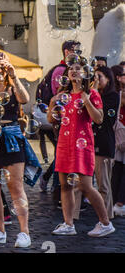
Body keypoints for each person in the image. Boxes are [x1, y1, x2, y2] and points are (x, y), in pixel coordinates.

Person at [0, 52, 39, 247]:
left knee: (16, 187)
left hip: (10, 136)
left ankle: (24, 233)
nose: (1, 67)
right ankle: (0, 229)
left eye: (4, 63)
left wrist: (14, 75)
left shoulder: (12, 86)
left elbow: (25, 99)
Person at [49, 61, 115, 237]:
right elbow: (52, 119)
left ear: (85, 73)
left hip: (82, 144)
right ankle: (68, 224)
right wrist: (51, 104)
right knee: (65, 185)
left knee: (85, 186)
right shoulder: (63, 95)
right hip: (64, 144)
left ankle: (105, 223)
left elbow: (99, 119)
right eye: (71, 68)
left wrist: (86, 100)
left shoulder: (91, 94)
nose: (73, 71)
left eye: (78, 69)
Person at [37, 40, 81, 194]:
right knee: (60, 152)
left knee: (62, 152)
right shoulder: (60, 70)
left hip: (68, 121)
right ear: (67, 52)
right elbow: (60, 97)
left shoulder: (71, 69)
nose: (79, 54)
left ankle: (54, 182)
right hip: (60, 119)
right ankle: (57, 187)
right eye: (77, 51)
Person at [92, 66, 120, 219]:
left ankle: (106, 217)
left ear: (108, 79)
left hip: (104, 143)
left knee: (103, 184)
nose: (95, 80)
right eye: (94, 77)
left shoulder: (112, 96)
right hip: (91, 142)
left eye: (99, 76)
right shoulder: (94, 95)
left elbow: (101, 116)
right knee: (82, 184)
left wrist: (94, 91)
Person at [111, 64, 125, 216]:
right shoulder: (119, 93)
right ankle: (119, 202)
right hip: (122, 133)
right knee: (119, 169)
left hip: (119, 133)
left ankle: (115, 201)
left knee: (117, 169)